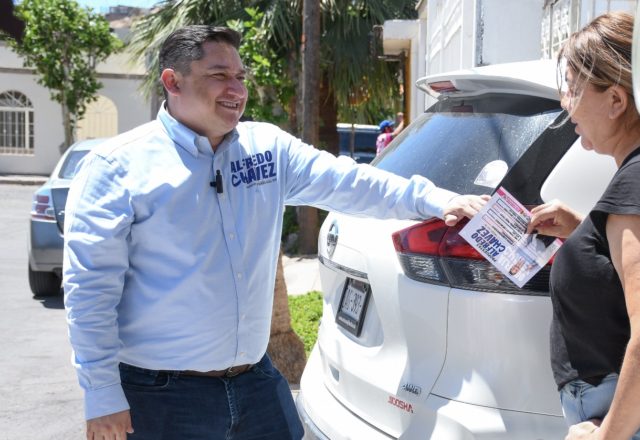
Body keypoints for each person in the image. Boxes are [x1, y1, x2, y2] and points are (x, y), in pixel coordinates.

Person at [63, 25, 487, 440]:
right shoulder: (116, 169)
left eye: (240, 77)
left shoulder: (266, 148)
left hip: (257, 385)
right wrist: (101, 395)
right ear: (172, 81)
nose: (237, 90)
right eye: (219, 76)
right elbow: (90, 291)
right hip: (161, 398)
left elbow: (351, 183)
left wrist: (437, 200)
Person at [527, 12, 640, 440]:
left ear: (616, 101)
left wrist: (608, 436)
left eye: (574, 88)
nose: (566, 103)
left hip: (636, 417)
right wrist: (586, 233)